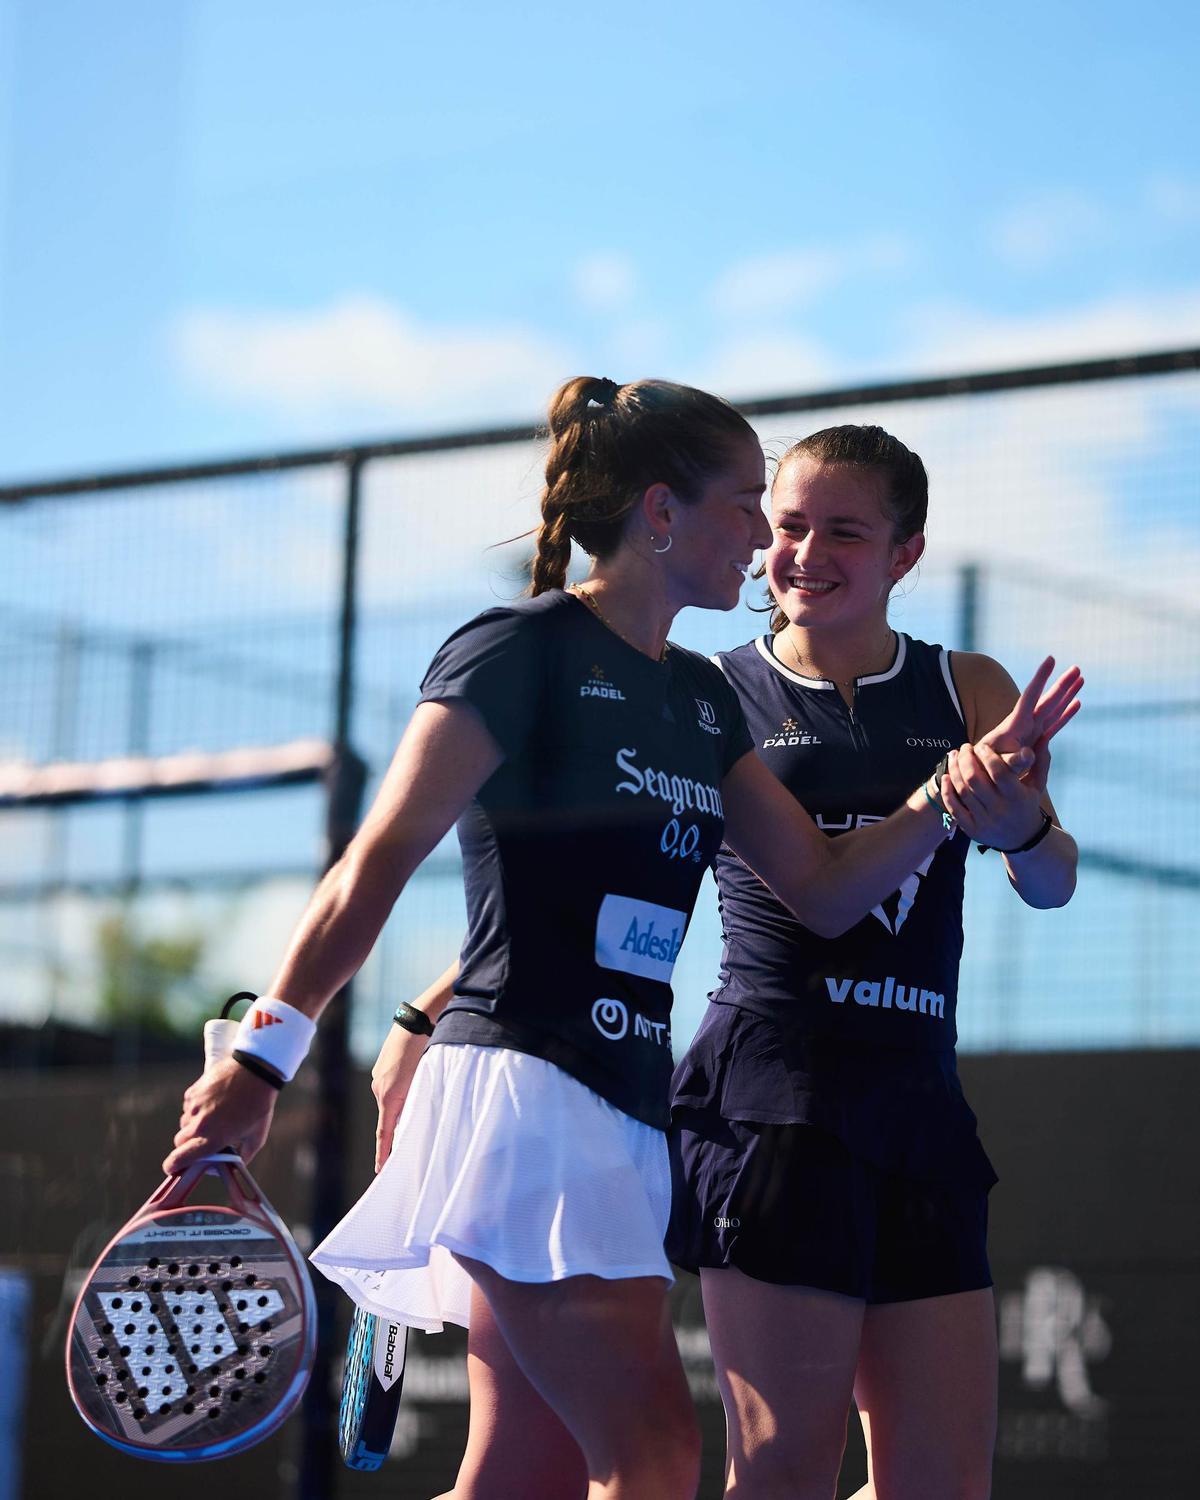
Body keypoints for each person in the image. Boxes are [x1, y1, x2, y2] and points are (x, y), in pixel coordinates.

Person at [165, 381, 1079, 1500]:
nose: (769, 541)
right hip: (575, 1097)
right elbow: (380, 865)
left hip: (643, 1102)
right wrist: (277, 1049)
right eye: (758, 510)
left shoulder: (695, 697)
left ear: (905, 551)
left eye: (819, 524)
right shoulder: (531, 650)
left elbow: (815, 888)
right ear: (661, 511)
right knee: (653, 1461)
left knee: (528, 1469)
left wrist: (975, 803)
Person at [667, 423, 1080, 1500]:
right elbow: (605, 880)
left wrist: (1019, 827)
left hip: (918, 1101)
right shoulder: (711, 691)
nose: (804, 553)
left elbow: (1052, 879)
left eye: (844, 531)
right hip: (774, 1101)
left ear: (906, 554)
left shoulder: (969, 687)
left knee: (943, 1486)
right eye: (788, 527)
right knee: (783, 1477)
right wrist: (434, 1017)